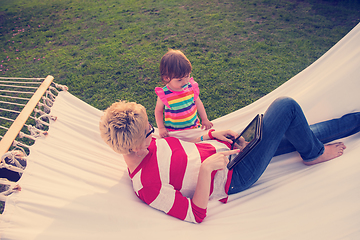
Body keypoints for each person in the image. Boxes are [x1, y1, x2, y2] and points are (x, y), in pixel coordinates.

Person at [99, 97, 360, 223]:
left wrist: (211, 135)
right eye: (148, 132)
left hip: (230, 149)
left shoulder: (145, 146)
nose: (153, 132)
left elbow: (183, 148)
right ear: (132, 148)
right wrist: (206, 171)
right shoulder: (148, 186)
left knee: (300, 132)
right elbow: (196, 214)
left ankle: (349, 124)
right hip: (236, 174)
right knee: (286, 107)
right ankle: (314, 155)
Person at [154, 49, 213, 138]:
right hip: (174, 133)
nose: (185, 82)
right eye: (180, 80)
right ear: (166, 78)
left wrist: (204, 119)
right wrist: (161, 128)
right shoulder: (164, 94)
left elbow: (198, 103)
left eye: (187, 76)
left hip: (194, 129)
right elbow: (158, 111)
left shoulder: (191, 87)